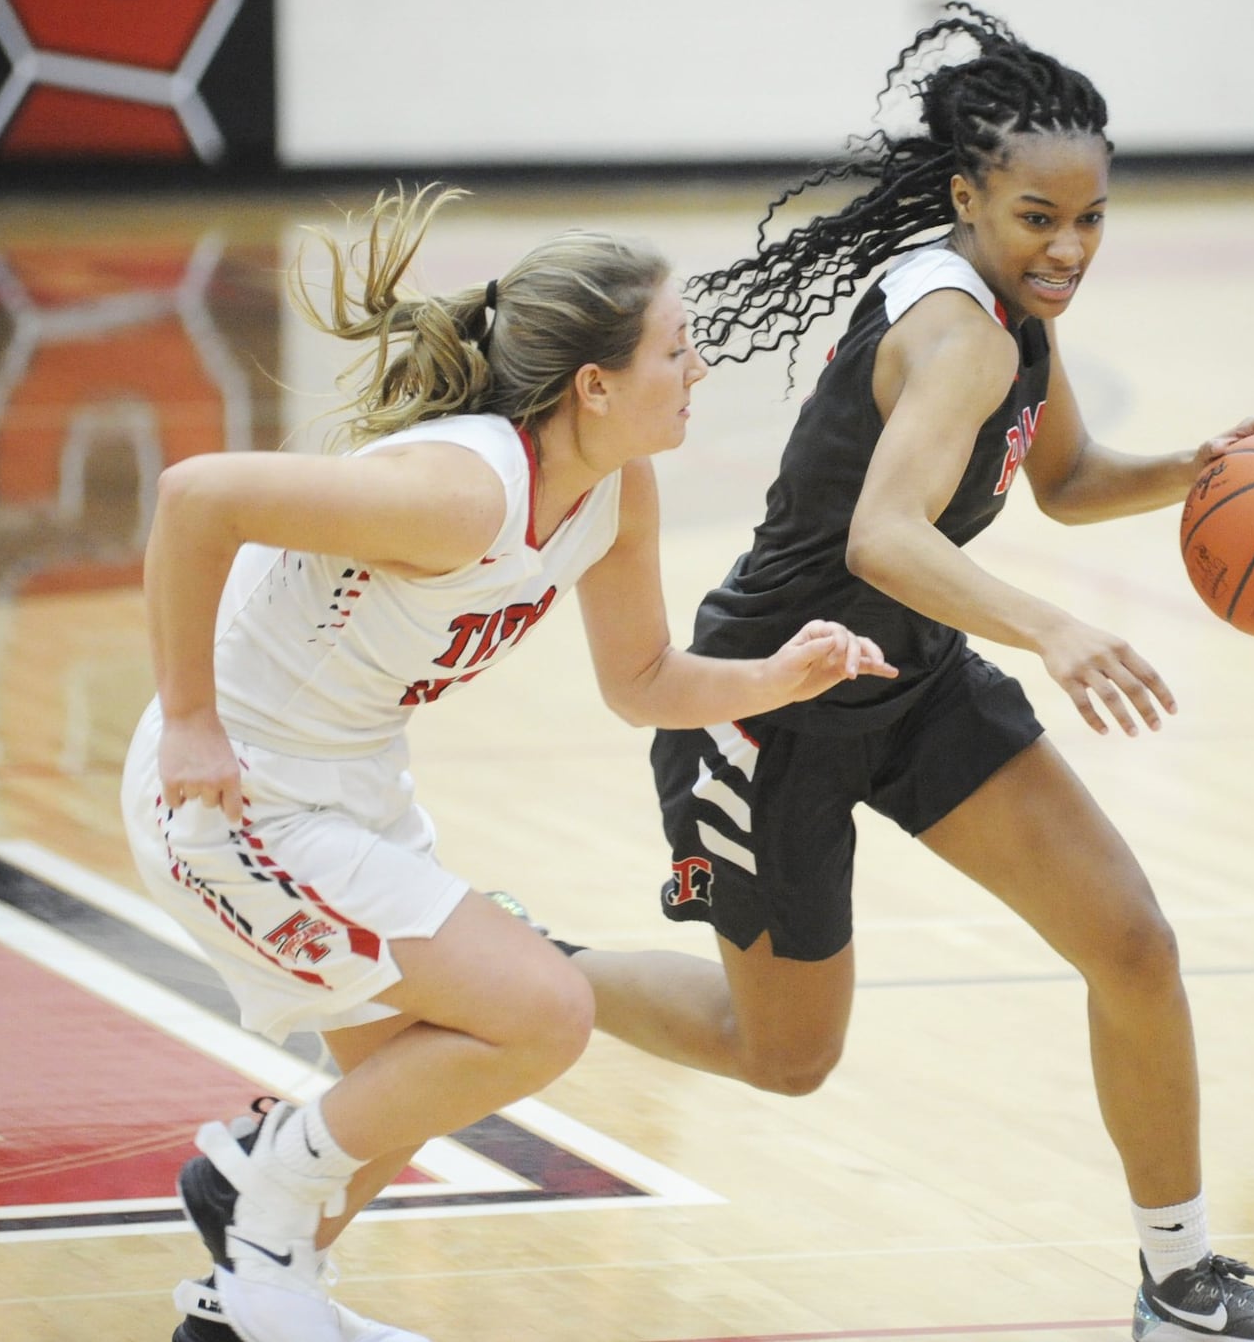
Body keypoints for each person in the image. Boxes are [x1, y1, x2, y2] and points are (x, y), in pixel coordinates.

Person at [549, 6, 1254, 1342]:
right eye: (1041, 217)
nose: (1071, 248)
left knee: (1132, 941)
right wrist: (1058, 628)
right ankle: (528, 959)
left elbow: (1071, 477)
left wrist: (1205, 464)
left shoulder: (1013, 315)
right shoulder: (960, 330)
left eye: (1092, 220)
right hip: (772, 697)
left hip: (910, 673)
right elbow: (884, 535)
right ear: (971, 196)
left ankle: (1179, 1276)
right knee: (784, 1055)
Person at [119, 185, 895, 1342]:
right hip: (236, 794)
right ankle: (253, 1180)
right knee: (543, 1010)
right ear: (593, 385)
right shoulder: (463, 489)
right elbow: (195, 498)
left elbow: (640, 680)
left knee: (409, 1080)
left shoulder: (613, 490)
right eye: (676, 351)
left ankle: (244, 1314)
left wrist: (775, 679)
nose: (698, 371)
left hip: (352, 782)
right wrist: (190, 719)